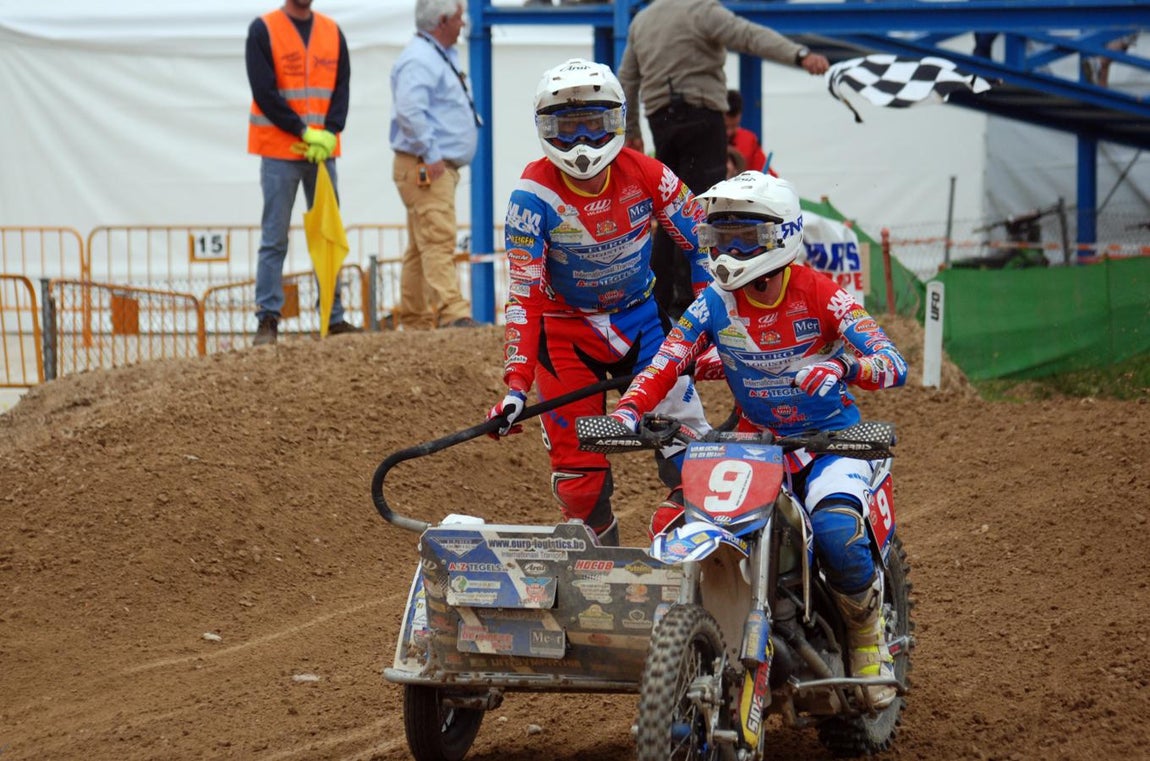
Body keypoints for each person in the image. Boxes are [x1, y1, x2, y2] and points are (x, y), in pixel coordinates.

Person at [608, 171, 908, 706]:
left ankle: (865, 636)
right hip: (755, 442)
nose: (730, 251)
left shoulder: (821, 292)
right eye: (719, 239)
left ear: (782, 235)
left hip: (828, 441)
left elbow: (893, 363)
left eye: (745, 237)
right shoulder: (715, 301)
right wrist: (630, 408)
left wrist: (843, 366)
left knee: (837, 530)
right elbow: (669, 359)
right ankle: (691, 638)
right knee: (679, 519)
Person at [485, 58, 713, 547]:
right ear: (545, 130)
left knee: (691, 457)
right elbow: (523, 295)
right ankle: (596, 577)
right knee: (580, 486)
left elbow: (706, 243)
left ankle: (696, 553)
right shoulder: (530, 196)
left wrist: (708, 328)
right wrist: (515, 387)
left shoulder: (649, 173)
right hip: (565, 338)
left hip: (645, 327)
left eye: (594, 124)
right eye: (566, 129)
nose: (582, 143)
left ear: (618, 121)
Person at [618, 0, 829, 320]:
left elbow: (628, 78)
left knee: (666, 213)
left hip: (661, 121)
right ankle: (690, 305)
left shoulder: (642, 21)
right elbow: (748, 35)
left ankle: (657, 303)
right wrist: (799, 55)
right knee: (701, 211)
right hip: (702, 118)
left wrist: (631, 128)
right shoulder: (701, 10)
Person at [246, 0, 358, 346]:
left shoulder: (331, 32)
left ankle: (333, 315)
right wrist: (304, 131)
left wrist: (330, 131)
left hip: (322, 152)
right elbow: (264, 92)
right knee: (275, 237)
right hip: (281, 151)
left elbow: (341, 88)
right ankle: (268, 317)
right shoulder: (263, 30)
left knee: (327, 233)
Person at [390, 0, 482, 330]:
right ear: (442, 21)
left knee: (421, 244)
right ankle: (452, 311)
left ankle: (415, 317)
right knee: (439, 238)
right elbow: (409, 110)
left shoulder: (431, 56)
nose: (463, 23)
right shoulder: (421, 60)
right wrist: (431, 153)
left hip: (424, 164)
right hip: (425, 166)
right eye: (458, 17)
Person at [725, 89, 766, 173]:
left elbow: (766, 174)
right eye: (725, 127)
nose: (729, 132)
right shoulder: (706, 139)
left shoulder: (749, 140)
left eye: (734, 126)